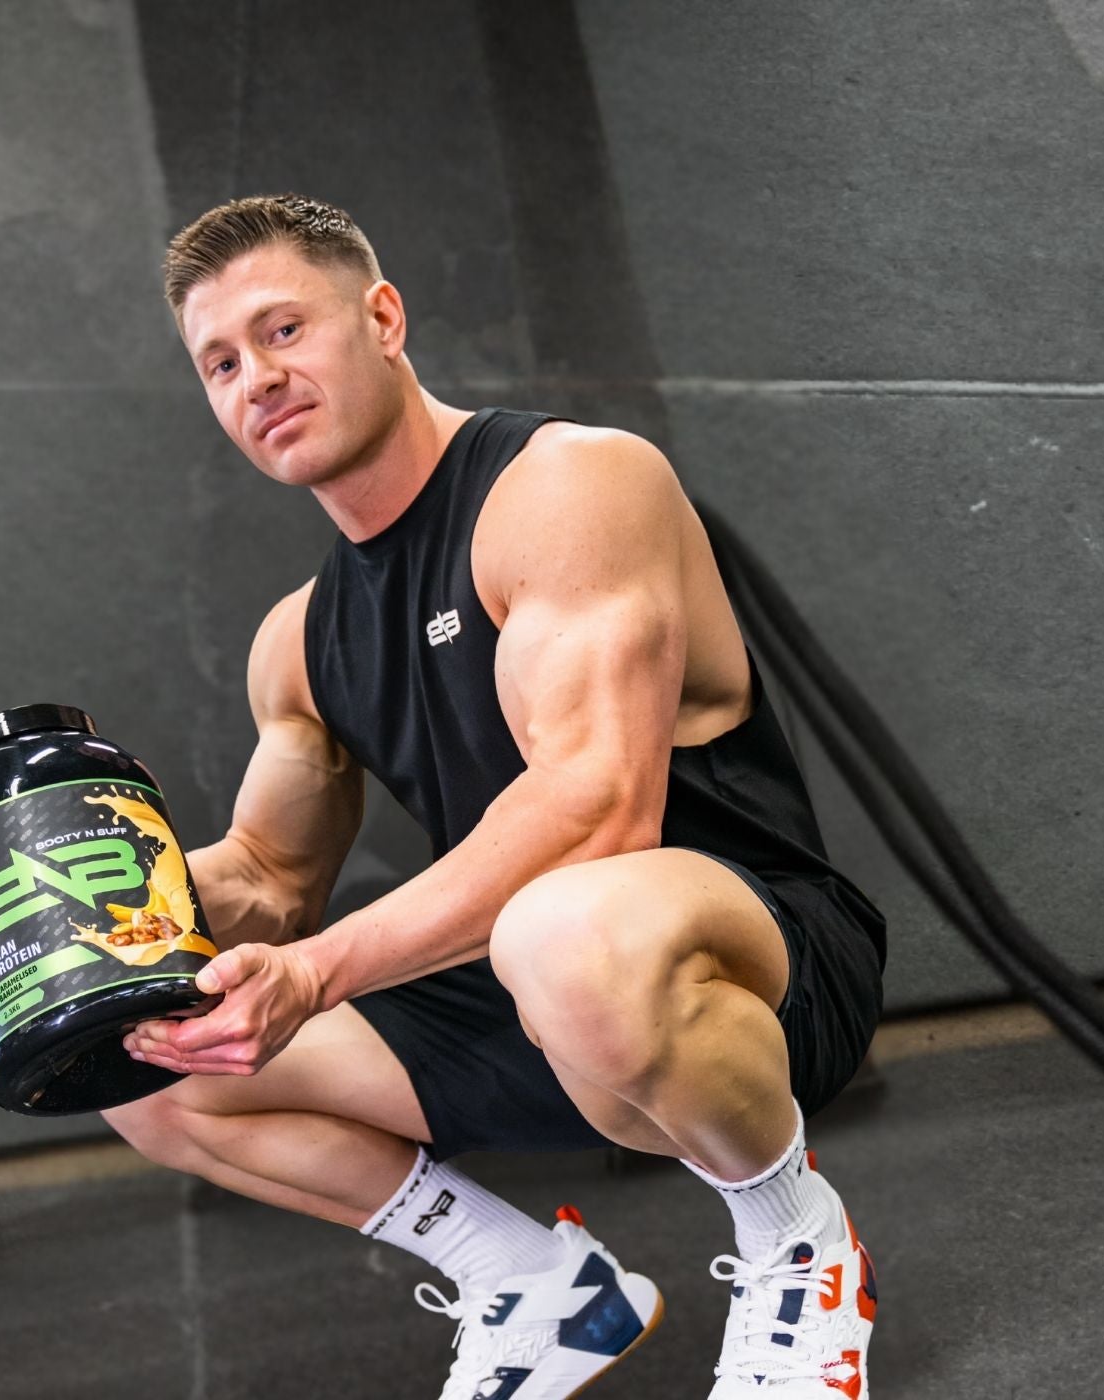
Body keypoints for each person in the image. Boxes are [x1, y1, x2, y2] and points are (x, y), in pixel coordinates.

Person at [101, 194, 887, 1399]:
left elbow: (596, 809)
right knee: (146, 1056)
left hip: (751, 967)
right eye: (221, 361)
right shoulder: (300, 642)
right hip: (527, 990)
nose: (257, 377)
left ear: (382, 316)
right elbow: (266, 877)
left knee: (562, 925)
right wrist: (94, 915)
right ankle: (531, 1286)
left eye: (283, 331)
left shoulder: (569, 487)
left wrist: (316, 971)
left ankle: (799, 1240)